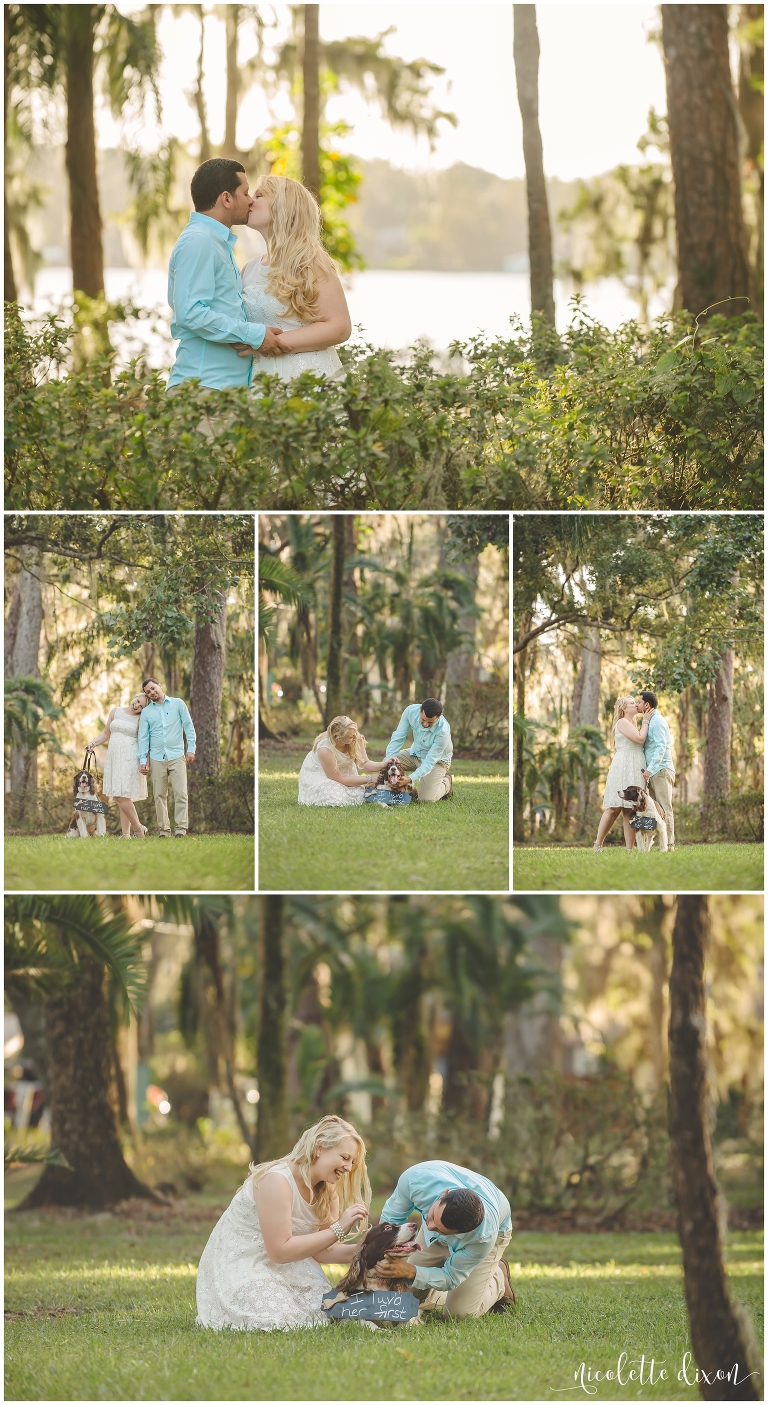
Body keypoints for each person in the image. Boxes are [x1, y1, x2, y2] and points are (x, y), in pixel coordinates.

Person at [195, 1115, 370, 1332]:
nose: (348, 1167)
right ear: (320, 1148)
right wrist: (338, 1228)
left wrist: (363, 1250)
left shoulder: (327, 1194)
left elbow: (323, 1252)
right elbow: (279, 1251)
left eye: (352, 1162)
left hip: (290, 1267)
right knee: (277, 1317)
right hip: (246, 1264)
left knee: (327, 1309)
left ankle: (403, 1307)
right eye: (344, 1157)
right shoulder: (276, 1181)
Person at [167, 158, 285, 392]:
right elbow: (190, 313)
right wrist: (255, 334)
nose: (251, 200)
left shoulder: (215, 242)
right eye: (246, 193)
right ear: (227, 199)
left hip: (219, 389)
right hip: (203, 388)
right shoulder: (199, 241)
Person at [236, 174, 352, 384]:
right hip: (263, 381)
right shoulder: (248, 270)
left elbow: (339, 326)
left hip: (309, 379)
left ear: (284, 206)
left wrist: (269, 342)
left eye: (259, 195)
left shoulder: (311, 260)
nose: (250, 200)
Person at [376, 1160, 515, 1319]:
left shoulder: (482, 1237)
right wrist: (382, 1253)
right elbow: (391, 1219)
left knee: (458, 1315)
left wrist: (411, 1271)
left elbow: (451, 1277)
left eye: (440, 1229)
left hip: (496, 1229)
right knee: (402, 1299)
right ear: (444, 1194)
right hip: (449, 1210)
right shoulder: (415, 1179)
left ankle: (498, 1278)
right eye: (433, 1215)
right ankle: (442, 1295)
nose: (429, 1227)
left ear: (465, 1231)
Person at [137, 679, 196, 838]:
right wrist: (143, 761)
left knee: (181, 793)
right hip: (157, 758)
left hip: (177, 755)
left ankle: (181, 829)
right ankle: (164, 830)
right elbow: (143, 738)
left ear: (160, 685)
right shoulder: (147, 712)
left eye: (153, 688)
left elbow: (189, 726)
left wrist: (191, 748)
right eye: (148, 692)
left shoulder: (178, 704)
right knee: (159, 795)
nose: (152, 692)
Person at [593, 696, 652, 853]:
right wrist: (646, 720)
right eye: (632, 703)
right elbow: (640, 739)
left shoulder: (631, 723)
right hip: (624, 766)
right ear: (624, 709)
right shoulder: (622, 722)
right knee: (614, 808)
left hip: (635, 765)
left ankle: (629, 849)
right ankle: (598, 844)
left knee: (630, 810)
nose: (635, 705)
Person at [87, 693, 149, 838]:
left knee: (120, 795)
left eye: (141, 706)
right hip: (114, 757)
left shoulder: (141, 719)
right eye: (138, 701)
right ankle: (126, 834)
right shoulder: (116, 711)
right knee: (122, 795)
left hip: (130, 757)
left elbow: (145, 741)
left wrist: (145, 761)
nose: (137, 705)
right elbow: (106, 733)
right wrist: (93, 743)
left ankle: (139, 829)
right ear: (135, 697)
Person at [298, 716, 382, 807]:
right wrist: (370, 778)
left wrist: (385, 764)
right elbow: (339, 778)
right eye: (350, 737)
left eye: (355, 734)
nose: (355, 738)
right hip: (325, 777)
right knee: (332, 793)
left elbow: (364, 764)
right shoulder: (325, 749)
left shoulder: (354, 736)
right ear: (338, 738)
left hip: (343, 776)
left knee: (361, 793)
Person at [384, 698, 453, 802]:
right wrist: (389, 761)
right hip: (415, 754)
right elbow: (398, 738)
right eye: (423, 720)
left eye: (430, 723)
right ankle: (410, 789)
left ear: (439, 717)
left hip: (437, 761)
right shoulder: (410, 712)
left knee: (425, 799)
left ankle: (446, 783)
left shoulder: (443, 732)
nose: (425, 724)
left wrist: (410, 778)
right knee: (386, 764)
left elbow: (430, 761)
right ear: (420, 710)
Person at [637, 689, 676, 850]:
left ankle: (670, 845)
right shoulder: (649, 721)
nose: (637, 705)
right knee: (654, 810)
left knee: (665, 808)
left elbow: (661, 748)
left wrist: (650, 770)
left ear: (647, 705)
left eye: (639, 702)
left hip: (660, 770)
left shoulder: (658, 722)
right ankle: (651, 844)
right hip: (652, 772)